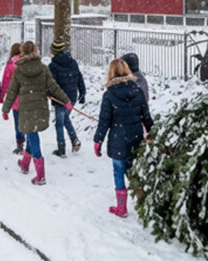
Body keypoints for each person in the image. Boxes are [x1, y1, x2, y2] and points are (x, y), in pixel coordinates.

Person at [0, 40, 71, 185]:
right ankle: (25, 164)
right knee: (31, 133)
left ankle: (41, 176)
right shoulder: (43, 68)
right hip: (40, 107)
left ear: (22, 53)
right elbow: (53, 87)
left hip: (25, 108)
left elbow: (12, 91)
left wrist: (5, 109)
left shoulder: (19, 70)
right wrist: (66, 101)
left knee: (32, 136)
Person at [94, 57, 153, 218]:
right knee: (133, 169)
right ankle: (141, 201)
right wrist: (152, 133)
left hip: (118, 139)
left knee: (119, 171)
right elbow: (146, 116)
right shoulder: (137, 91)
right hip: (135, 137)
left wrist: (98, 140)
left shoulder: (109, 95)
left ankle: (121, 207)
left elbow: (104, 121)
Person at [48, 40, 86, 157]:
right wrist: (82, 92)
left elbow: (52, 84)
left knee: (59, 123)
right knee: (65, 119)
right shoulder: (73, 62)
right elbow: (79, 77)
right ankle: (75, 140)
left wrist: (48, 93)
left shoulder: (53, 66)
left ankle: (61, 148)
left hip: (60, 98)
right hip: (72, 97)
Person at [0, 42, 26, 155]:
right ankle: (29, 143)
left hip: (16, 99)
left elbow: (5, 82)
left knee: (18, 122)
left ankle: (20, 144)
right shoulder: (27, 63)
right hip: (28, 97)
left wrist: (1, 98)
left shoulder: (11, 65)